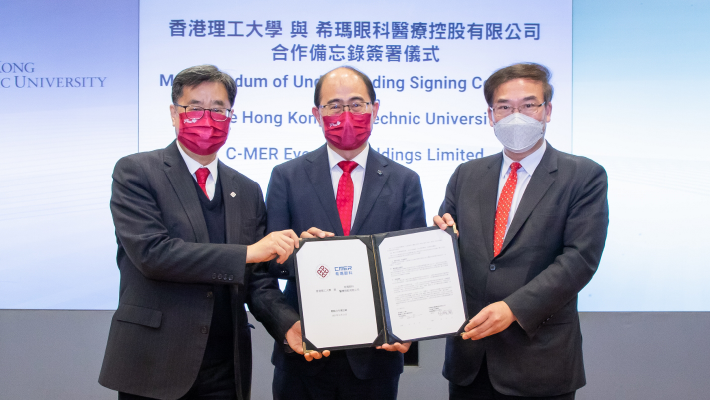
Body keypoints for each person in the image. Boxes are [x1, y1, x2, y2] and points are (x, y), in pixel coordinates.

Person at [99, 65, 307, 400]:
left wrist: (287, 323)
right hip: (155, 363)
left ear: (230, 116)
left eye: (218, 109)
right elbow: (154, 254)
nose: (206, 118)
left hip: (226, 368)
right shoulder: (136, 172)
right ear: (173, 113)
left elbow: (255, 279)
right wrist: (248, 252)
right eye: (194, 108)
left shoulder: (247, 189)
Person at [434, 63, 609, 400]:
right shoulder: (466, 175)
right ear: (491, 115)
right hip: (470, 361)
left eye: (529, 105)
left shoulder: (582, 176)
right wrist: (442, 242)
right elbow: (451, 245)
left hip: (540, 361)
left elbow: (579, 259)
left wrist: (513, 308)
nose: (517, 115)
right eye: (504, 107)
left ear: (547, 111)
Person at [265, 66, 427, 400]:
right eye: (334, 106)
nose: (346, 114)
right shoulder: (286, 177)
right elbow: (269, 267)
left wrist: (410, 327)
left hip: (376, 359)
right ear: (316, 114)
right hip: (304, 353)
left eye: (357, 104)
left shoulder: (404, 181)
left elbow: (411, 271)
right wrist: (298, 254)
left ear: (375, 109)